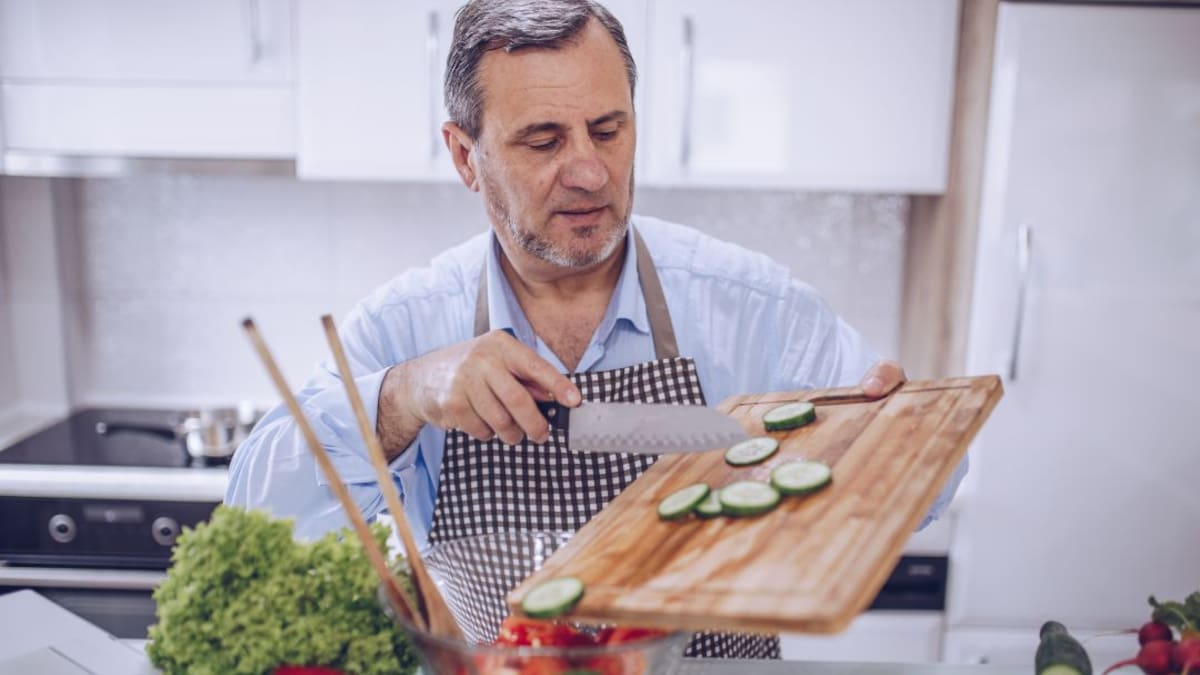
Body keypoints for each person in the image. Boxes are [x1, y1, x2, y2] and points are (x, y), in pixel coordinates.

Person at [227, 0, 966, 659]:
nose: (589, 171)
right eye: (544, 141)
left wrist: (885, 440)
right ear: (465, 156)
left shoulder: (750, 304)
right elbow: (257, 511)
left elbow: (936, 478)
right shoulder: (408, 323)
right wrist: (403, 396)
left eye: (608, 130)